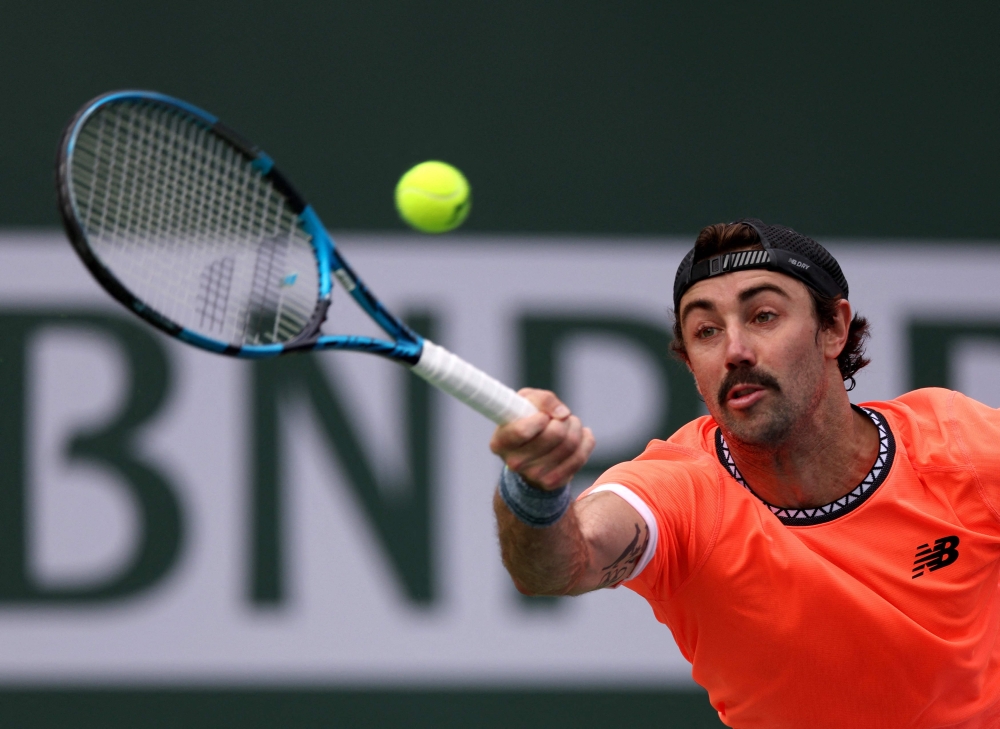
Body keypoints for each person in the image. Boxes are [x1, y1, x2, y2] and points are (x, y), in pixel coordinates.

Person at [490, 219, 1000, 729]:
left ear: (834, 329)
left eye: (763, 315)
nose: (735, 350)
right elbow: (562, 564)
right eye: (706, 331)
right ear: (692, 363)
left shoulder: (961, 445)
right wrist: (535, 488)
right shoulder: (680, 491)